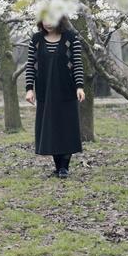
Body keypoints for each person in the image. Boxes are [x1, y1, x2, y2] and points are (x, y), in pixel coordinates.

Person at [24, 16, 85, 178]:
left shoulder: (71, 38)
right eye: (45, 19)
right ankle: (58, 166)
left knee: (66, 127)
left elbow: (77, 63)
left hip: (67, 90)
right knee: (51, 128)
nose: (48, 22)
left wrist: (79, 86)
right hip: (45, 91)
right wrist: (29, 89)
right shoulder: (36, 40)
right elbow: (30, 65)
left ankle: (64, 167)